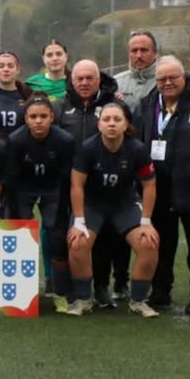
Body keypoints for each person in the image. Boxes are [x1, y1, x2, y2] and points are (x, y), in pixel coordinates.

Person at [134, 55, 190, 315]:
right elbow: (137, 146)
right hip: (158, 190)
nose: (167, 83)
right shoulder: (147, 104)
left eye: (172, 77)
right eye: (161, 79)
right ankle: (161, 291)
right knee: (161, 244)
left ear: (183, 77)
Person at [66, 102, 160, 318]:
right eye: (106, 120)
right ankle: (84, 300)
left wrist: (146, 222)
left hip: (125, 204)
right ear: (99, 124)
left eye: (117, 120)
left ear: (126, 124)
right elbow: (77, 185)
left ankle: (138, 302)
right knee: (77, 243)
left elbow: (149, 185)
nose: (111, 124)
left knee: (149, 244)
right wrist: (79, 222)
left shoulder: (137, 149)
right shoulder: (87, 148)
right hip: (92, 205)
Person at [54, 59, 126, 307]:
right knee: (69, 235)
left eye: (89, 78)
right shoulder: (61, 106)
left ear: (98, 80)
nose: (84, 83)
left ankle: (103, 287)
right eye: (79, 79)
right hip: (69, 182)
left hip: (105, 184)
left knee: (105, 239)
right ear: (72, 81)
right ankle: (73, 287)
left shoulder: (113, 105)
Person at [4, 94, 76, 312]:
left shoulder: (64, 140)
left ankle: (60, 292)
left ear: (51, 117)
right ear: (26, 118)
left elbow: (66, 179)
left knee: (57, 236)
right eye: (33, 116)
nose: (38, 121)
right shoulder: (16, 140)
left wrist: (61, 212)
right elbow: (12, 178)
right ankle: (22, 292)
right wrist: (18, 217)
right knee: (19, 236)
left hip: (53, 188)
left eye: (43, 116)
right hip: (23, 188)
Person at [0, 51, 30, 137]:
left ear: (18, 69)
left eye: (10, 66)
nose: (6, 69)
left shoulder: (27, 95)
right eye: (1, 66)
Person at [114, 31, 160, 108]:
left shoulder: (166, 81)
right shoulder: (115, 83)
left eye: (144, 50)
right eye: (134, 51)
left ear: (155, 52)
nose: (138, 55)